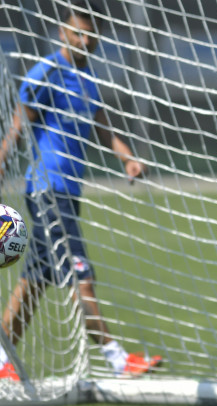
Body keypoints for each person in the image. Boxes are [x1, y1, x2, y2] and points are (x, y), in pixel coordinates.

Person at [0, 0, 161, 381]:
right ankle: (117, 358)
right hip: (47, 190)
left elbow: (102, 127)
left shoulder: (88, 80)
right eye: (78, 32)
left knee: (35, 282)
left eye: (91, 35)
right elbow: (18, 128)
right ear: (62, 32)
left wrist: (127, 159)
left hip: (67, 194)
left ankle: (2, 362)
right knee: (79, 274)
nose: (85, 40)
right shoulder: (46, 73)